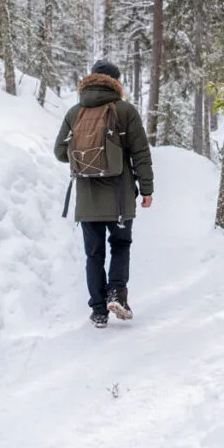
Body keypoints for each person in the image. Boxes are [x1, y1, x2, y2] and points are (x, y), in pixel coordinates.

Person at [54, 59, 154, 328]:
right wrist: (146, 189)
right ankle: (116, 294)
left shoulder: (76, 112)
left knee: (94, 254)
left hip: (87, 198)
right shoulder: (125, 110)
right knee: (120, 245)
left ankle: (98, 311)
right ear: (116, 82)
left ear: (91, 79)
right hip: (120, 196)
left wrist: (85, 157)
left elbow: (59, 152)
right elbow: (140, 153)